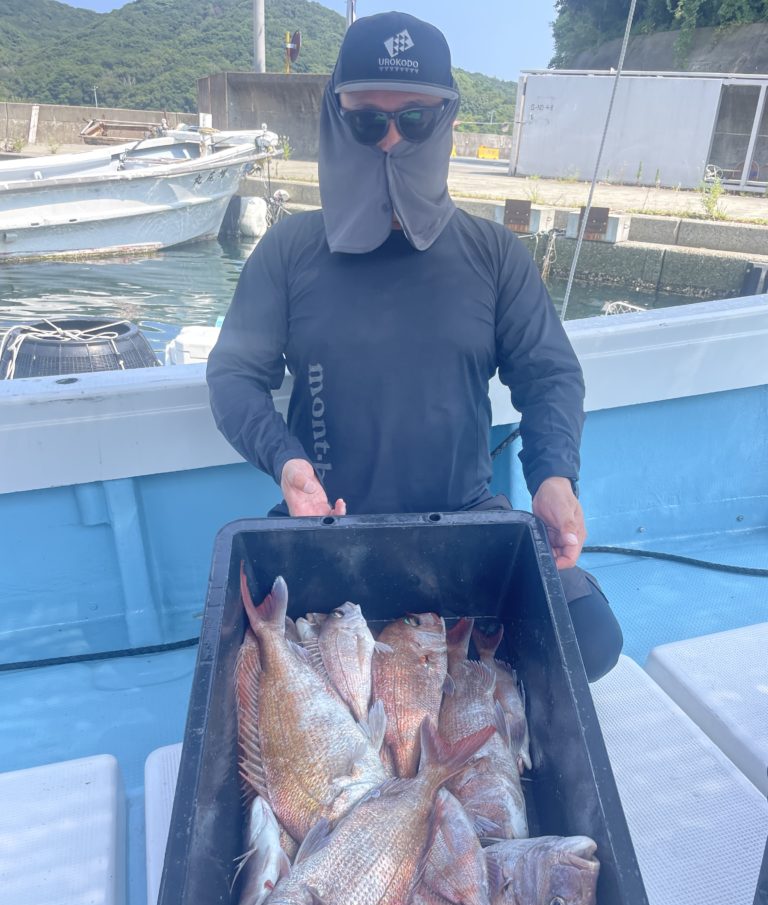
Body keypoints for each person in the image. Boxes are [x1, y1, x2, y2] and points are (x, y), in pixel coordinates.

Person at [206, 11, 622, 682]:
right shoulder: (288, 251)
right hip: (327, 525)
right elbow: (233, 376)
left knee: (592, 639)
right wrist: (286, 463)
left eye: (416, 119)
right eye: (369, 121)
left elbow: (548, 376)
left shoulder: (494, 253)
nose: (392, 140)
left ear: (446, 121)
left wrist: (554, 477)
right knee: (242, 667)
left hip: (464, 525)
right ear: (337, 117)